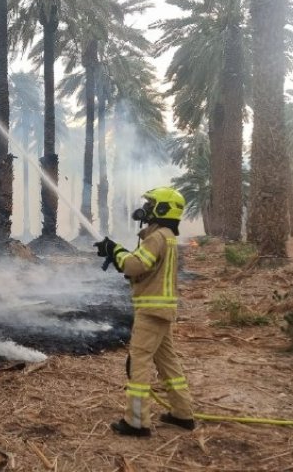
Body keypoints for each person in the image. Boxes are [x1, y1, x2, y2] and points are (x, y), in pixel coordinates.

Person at [94, 186, 195, 437]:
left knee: (139, 362)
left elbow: (136, 265)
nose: (147, 209)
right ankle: (183, 414)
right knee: (168, 362)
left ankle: (137, 422)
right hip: (162, 309)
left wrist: (114, 250)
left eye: (151, 205)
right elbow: (142, 266)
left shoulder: (157, 236)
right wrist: (115, 251)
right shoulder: (167, 235)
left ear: (162, 208)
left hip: (151, 310)